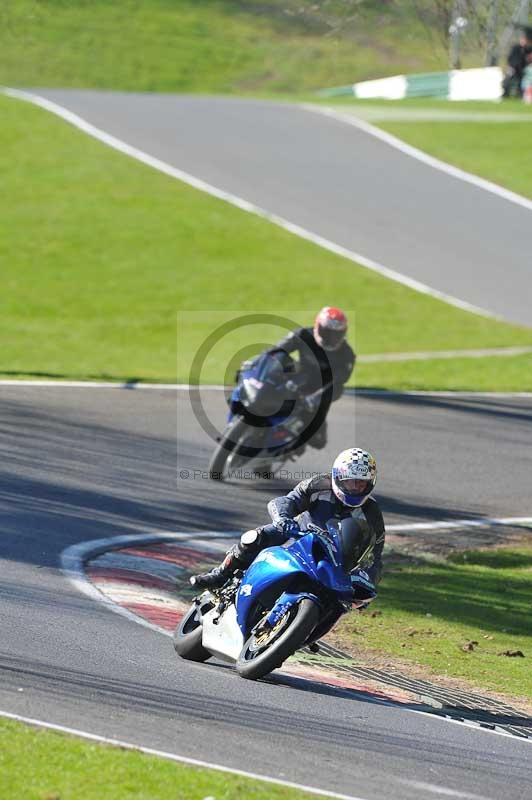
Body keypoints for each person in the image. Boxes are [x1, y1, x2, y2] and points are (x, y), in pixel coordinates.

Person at [191, 447, 385, 604]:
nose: (355, 488)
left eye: (361, 484)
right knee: (255, 537)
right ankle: (220, 575)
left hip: (333, 563)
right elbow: (288, 500)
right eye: (350, 482)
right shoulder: (318, 485)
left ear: (371, 484)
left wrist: (368, 582)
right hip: (297, 536)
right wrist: (282, 518)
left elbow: (375, 555)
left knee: (345, 600)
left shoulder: (372, 512)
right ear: (337, 476)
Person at [267, 307, 355, 450]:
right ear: (317, 326)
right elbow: (275, 351)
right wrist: (256, 363)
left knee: (318, 442)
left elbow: (339, 381)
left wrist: (316, 398)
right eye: (327, 332)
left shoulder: (347, 355)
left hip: (320, 391)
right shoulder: (302, 334)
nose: (330, 338)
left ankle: (287, 445)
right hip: (298, 379)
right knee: (281, 362)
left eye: (335, 334)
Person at [503, 26, 532, 98]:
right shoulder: (516, 48)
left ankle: (522, 94)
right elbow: (511, 60)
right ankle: (506, 93)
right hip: (515, 69)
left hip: (524, 70)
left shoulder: (528, 49)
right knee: (509, 76)